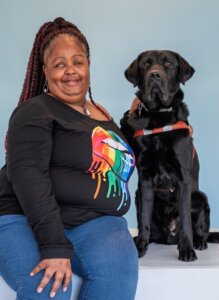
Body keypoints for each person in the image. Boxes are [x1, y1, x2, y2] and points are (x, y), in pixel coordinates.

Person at [0, 17, 138, 300]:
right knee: (49, 288)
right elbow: (29, 178)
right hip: (20, 217)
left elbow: (108, 159)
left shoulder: (99, 114)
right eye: (59, 64)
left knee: (115, 275)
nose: (70, 71)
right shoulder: (35, 111)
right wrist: (53, 247)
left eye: (77, 61)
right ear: (45, 71)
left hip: (90, 222)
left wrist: (151, 124)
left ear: (88, 64)